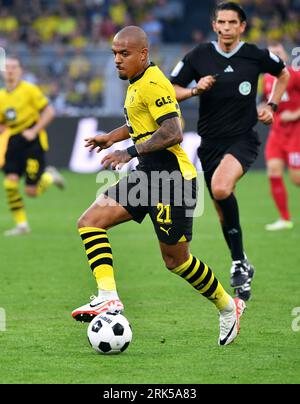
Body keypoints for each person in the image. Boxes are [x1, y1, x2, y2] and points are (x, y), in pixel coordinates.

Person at [71, 26, 246, 346]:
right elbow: (139, 121)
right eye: (114, 54)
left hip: (173, 181)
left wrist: (129, 151)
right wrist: (111, 137)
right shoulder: (136, 83)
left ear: (143, 54)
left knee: (176, 261)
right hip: (147, 177)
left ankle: (227, 305)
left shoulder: (153, 83)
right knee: (90, 222)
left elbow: (173, 132)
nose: (117, 60)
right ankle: (108, 296)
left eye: (124, 54)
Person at [170, 1, 290, 301]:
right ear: (214, 25)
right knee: (223, 210)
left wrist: (272, 104)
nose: (226, 28)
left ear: (242, 26)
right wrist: (196, 89)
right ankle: (242, 262)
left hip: (242, 139)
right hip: (209, 143)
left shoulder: (254, 55)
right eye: (221, 23)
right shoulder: (199, 56)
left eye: (231, 23)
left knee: (221, 188)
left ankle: (237, 263)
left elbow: (283, 73)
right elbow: (172, 89)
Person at [0, 56, 65, 236]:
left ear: (20, 71)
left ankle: (49, 177)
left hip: (32, 142)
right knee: (9, 183)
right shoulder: (1, 96)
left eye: (14, 67)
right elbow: (2, 123)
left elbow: (49, 111)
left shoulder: (29, 90)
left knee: (31, 191)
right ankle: (22, 225)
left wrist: (34, 130)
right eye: (7, 67)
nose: (10, 70)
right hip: (13, 141)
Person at [262, 43, 300, 231]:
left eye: (278, 52)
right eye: (272, 53)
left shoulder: (294, 74)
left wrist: (295, 114)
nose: (276, 56)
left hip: (296, 132)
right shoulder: (267, 79)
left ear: (284, 54)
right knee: (273, 171)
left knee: (296, 179)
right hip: (276, 132)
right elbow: (265, 101)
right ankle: (285, 219)